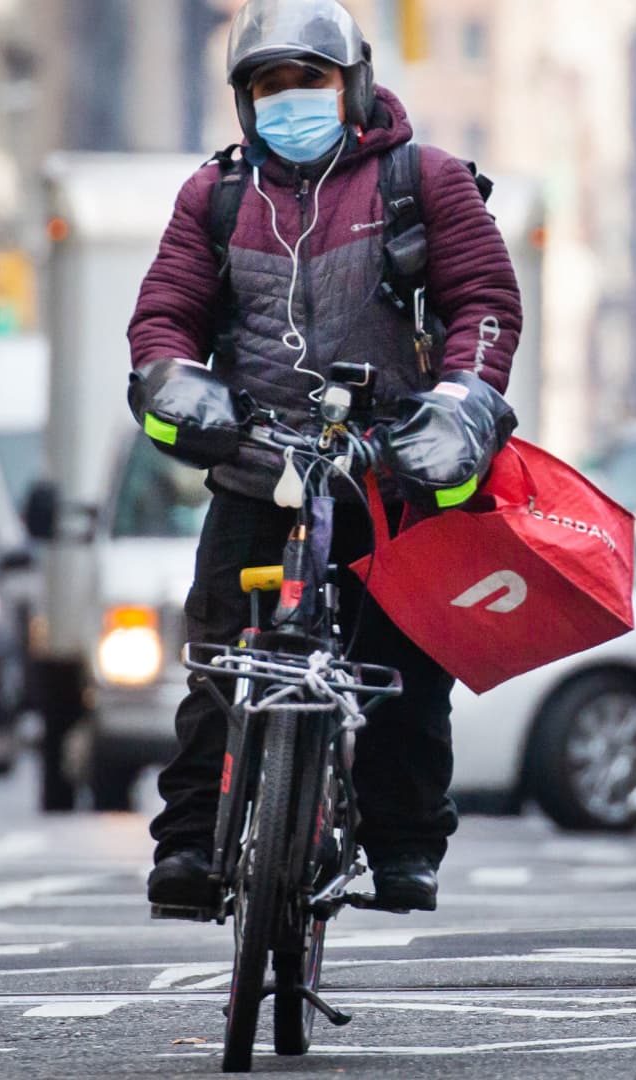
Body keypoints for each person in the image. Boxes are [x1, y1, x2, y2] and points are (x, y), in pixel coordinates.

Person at [126, 0, 523, 916]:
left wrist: (462, 402)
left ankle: (405, 844)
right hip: (256, 467)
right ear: (244, 102)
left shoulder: (423, 181)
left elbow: (485, 303)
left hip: (388, 468)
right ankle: (189, 847)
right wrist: (178, 383)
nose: (289, 98)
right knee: (222, 660)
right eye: (269, 85)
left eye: (309, 79)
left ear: (353, 85)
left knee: (405, 665)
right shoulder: (214, 196)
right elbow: (165, 316)